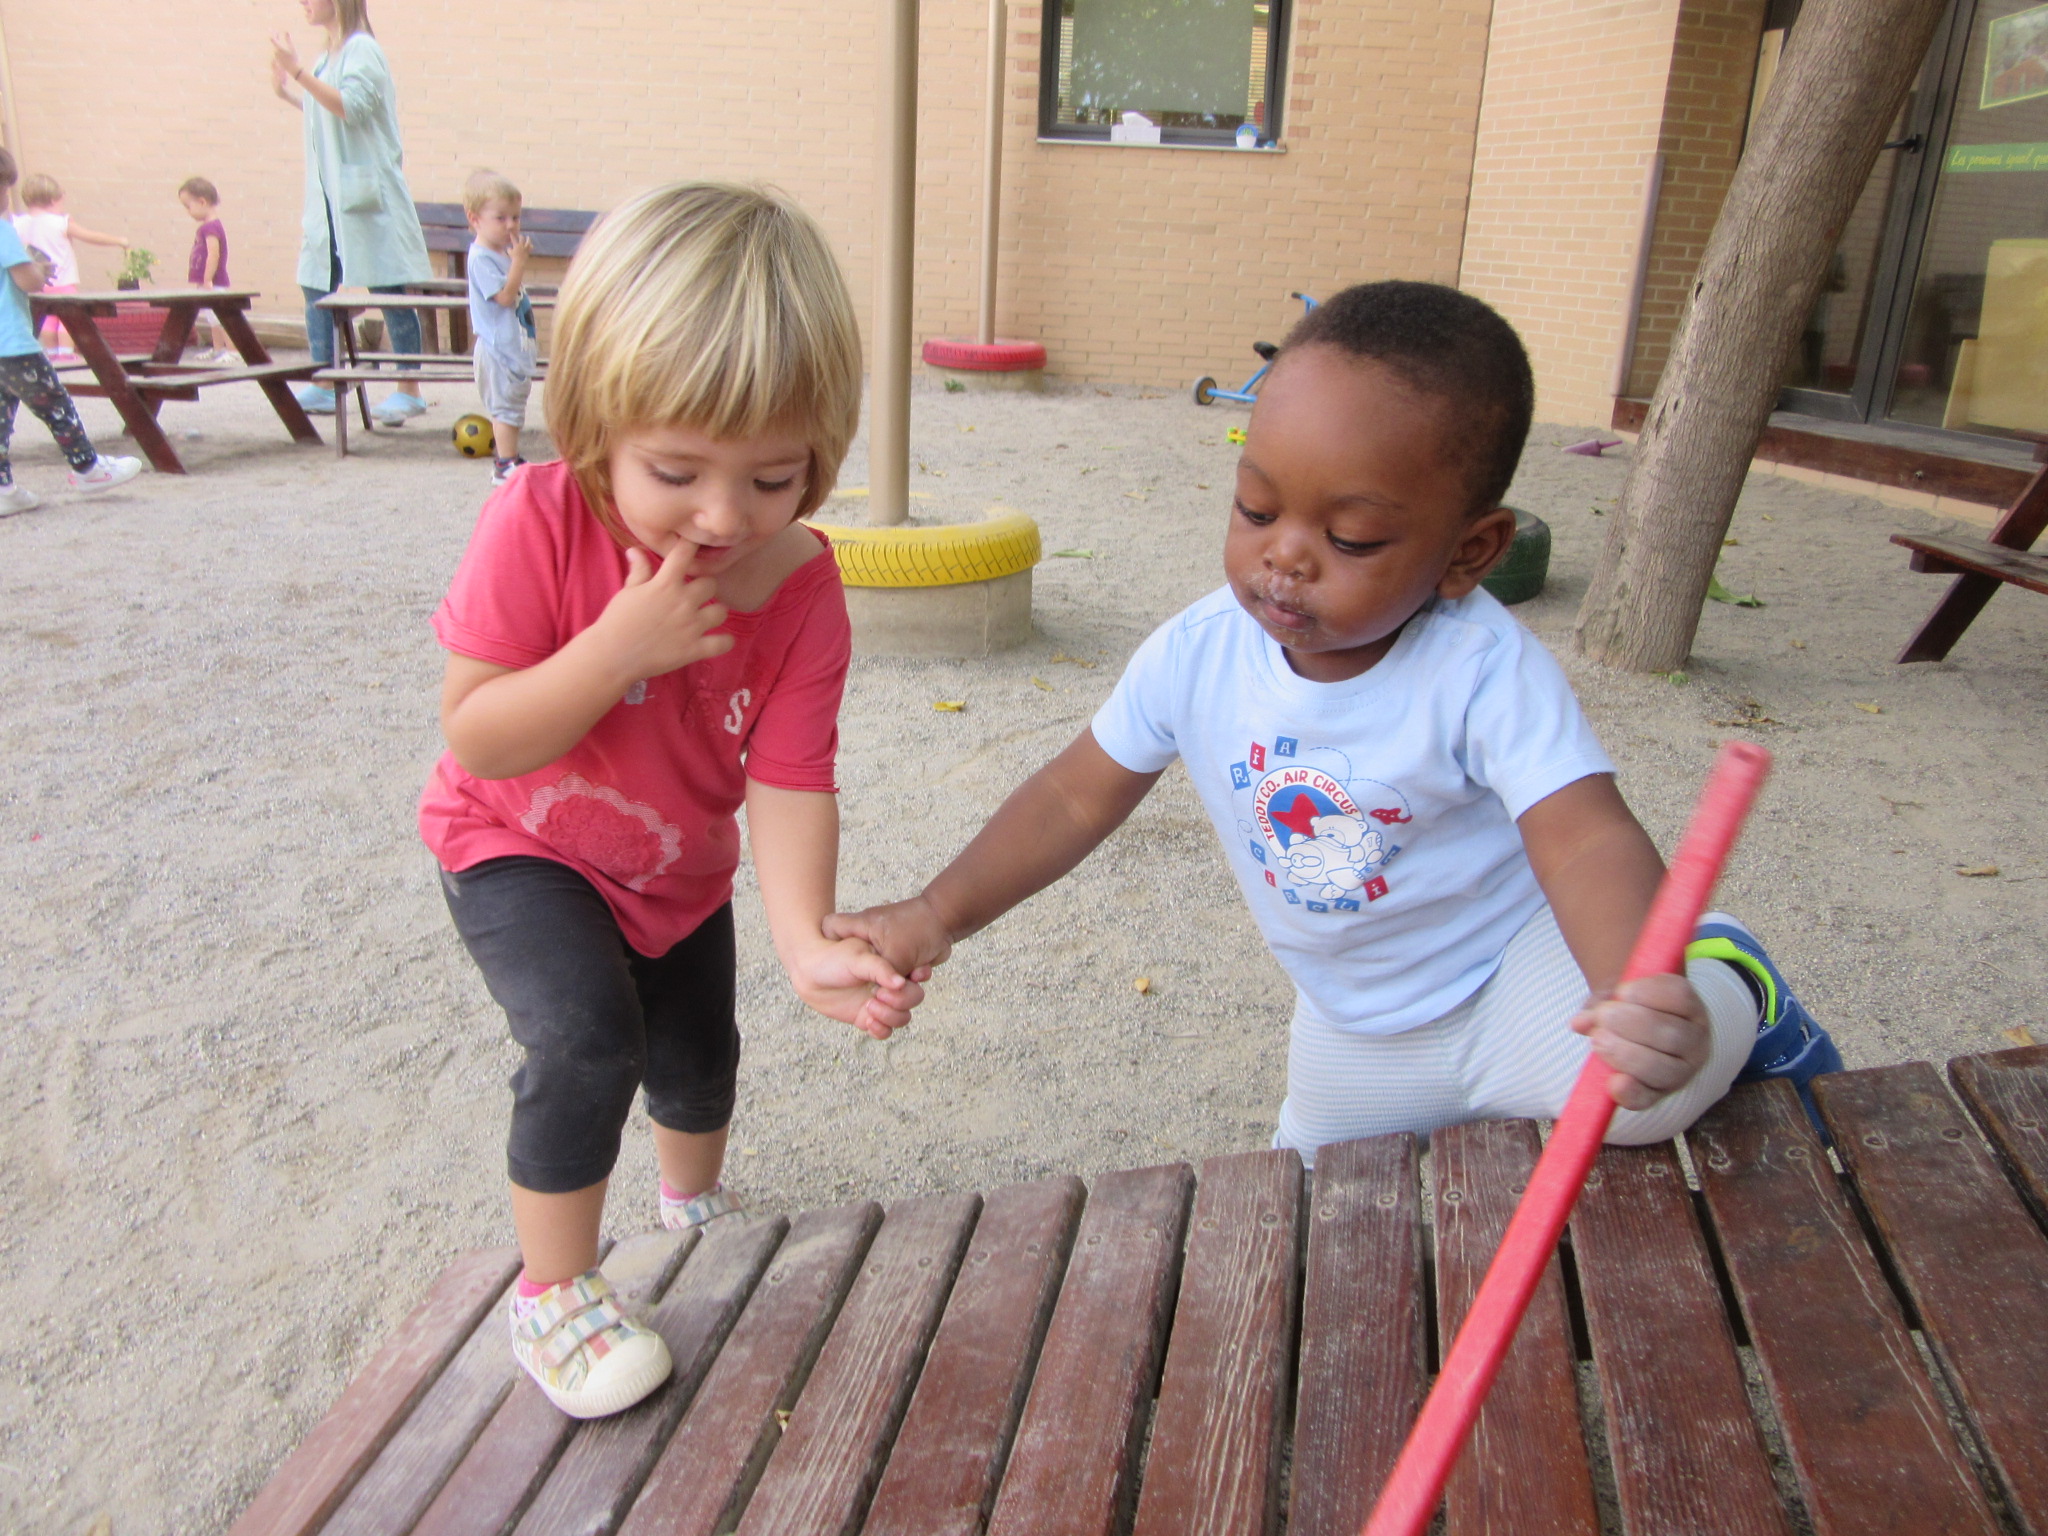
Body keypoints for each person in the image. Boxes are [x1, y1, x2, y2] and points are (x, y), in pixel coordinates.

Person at [828, 281, 1842, 1165]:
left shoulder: (1480, 669)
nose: (1285, 557)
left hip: (1516, 976)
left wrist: (1633, 984)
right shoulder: (1197, 653)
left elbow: (1582, 838)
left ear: (1469, 552)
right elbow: (1070, 796)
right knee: (1305, 1207)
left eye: (1350, 537)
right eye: (1256, 509)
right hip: (1356, 1026)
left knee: (1636, 1096)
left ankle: (1722, 978)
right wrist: (938, 911)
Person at [420, 182, 921, 1419]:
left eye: (773, 476)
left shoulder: (800, 587)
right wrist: (613, 652)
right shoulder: (538, 521)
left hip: (676, 868)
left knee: (700, 1057)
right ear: (596, 425)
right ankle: (552, 1294)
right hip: (518, 840)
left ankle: (693, 1208)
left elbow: (790, 777)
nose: (722, 516)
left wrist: (803, 939)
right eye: (676, 470)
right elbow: (478, 734)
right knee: (588, 1038)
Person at [269, 0, 431, 424]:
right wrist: (287, 90)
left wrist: (299, 73)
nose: (302, 3)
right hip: (329, 196)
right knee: (315, 281)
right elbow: (324, 113)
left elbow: (352, 108)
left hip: (366, 192)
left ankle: (409, 388)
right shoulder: (328, 56)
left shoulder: (363, 50)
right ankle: (326, 380)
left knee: (388, 286)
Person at [0, 150, 143, 515]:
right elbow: (27, 280)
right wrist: (39, 270)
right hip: (13, 343)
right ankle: (87, 467)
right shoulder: (3, 231)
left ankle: (3, 488)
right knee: (54, 403)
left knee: (1, 416)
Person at [463, 169, 536, 487]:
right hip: (496, 350)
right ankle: (504, 463)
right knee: (504, 407)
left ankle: (511, 457)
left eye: (515, 218)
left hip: (511, 348)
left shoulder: (498, 254)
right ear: (475, 219)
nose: (511, 225)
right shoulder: (481, 259)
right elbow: (505, 297)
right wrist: (519, 262)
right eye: (501, 218)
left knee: (514, 404)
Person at [12, 172, 130, 362]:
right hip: (63, 281)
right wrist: (119, 241)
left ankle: (51, 353)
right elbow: (89, 236)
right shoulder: (60, 222)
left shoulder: (19, 223)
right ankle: (66, 353)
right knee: (67, 318)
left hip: (37, 283)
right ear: (53, 200)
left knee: (47, 318)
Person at [178, 176, 235, 365]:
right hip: (206, 281)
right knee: (212, 317)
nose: (188, 211)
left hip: (213, 281)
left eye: (188, 206)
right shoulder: (206, 227)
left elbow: (213, 254)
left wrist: (208, 278)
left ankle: (233, 350)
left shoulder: (211, 227)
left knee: (221, 317)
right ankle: (218, 348)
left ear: (202, 202)